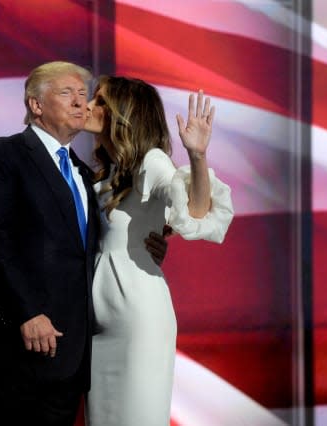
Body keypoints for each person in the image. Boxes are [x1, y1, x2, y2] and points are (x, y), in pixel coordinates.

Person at [0, 62, 168, 426]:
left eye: (85, 95)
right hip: (7, 349)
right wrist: (27, 313)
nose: (81, 102)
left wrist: (153, 241)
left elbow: (103, 236)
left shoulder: (85, 174)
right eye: (68, 93)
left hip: (67, 358)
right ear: (36, 105)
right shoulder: (3, 156)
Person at [83, 76, 234, 426]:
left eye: (102, 101)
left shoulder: (151, 162)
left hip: (136, 321)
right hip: (97, 325)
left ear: (125, 114)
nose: (90, 106)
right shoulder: (108, 173)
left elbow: (195, 210)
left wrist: (197, 157)